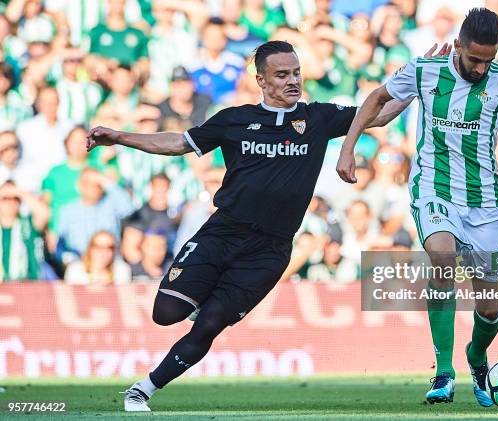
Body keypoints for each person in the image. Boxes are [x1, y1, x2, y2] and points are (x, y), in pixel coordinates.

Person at [87, 39, 448, 412]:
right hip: (222, 233)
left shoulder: (319, 117)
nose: (293, 81)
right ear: (261, 80)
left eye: (296, 72)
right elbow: (178, 143)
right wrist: (119, 137)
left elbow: (382, 113)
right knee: (165, 314)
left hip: (270, 250)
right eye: (282, 74)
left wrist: (417, 78)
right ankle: (204, 299)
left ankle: (141, 390)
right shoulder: (234, 120)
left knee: (210, 324)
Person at [336, 8, 498, 407]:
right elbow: (376, 100)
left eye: (488, 60)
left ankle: (476, 357)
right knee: (442, 256)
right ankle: (444, 371)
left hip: (486, 203)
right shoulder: (425, 70)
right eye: (474, 59)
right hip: (434, 190)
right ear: (457, 45)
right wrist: (348, 148)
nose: (480, 67)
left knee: (489, 306)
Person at [64, 230, 131, 284]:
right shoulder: (75, 269)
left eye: (110, 247)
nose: (104, 252)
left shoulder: (121, 269)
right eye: (99, 247)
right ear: (90, 248)